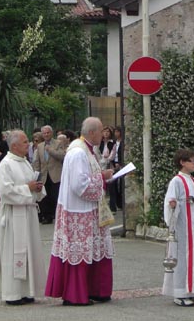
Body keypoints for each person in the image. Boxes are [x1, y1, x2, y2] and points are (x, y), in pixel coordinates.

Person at [45, 117, 115, 306]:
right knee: (79, 252)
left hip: (89, 209)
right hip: (78, 210)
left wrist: (102, 177)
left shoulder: (88, 150)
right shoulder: (78, 152)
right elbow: (79, 185)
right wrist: (102, 178)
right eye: (100, 131)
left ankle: (96, 290)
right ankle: (75, 294)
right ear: (91, 133)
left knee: (93, 250)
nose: (103, 135)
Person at [0, 130, 45, 306]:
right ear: (14, 146)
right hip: (13, 215)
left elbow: (31, 185)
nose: (28, 144)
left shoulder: (25, 162)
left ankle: (27, 291)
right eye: (25, 142)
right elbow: (5, 191)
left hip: (28, 213)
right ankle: (13, 293)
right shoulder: (6, 164)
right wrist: (27, 188)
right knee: (13, 252)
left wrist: (37, 188)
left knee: (29, 251)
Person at [163, 149, 194, 306]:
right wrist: (173, 205)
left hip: (193, 226)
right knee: (183, 258)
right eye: (192, 161)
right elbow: (170, 201)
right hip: (182, 226)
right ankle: (180, 293)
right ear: (182, 162)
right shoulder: (176, 181)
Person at [34, 126, 66, 224]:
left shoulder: (58, 143)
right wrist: (37, 176)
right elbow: (37, 162)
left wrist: (50, 150)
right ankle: (47, 217)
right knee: (45, 197)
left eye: (48, 133)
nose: (46, 135)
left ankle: (58, 216)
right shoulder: (40, 146)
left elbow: (62, 156)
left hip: (55, 175)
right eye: (44, 133)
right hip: (44, 175)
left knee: (55, 196)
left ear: (51, 133)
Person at [109, 128, 124, 212]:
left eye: (118, 132)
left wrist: (120, 163)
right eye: (115, 132)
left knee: (121, 184)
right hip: (114, 164)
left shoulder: (123, 142)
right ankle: (114, 204)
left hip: (120, 165)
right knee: (113, 184)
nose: (116, 133)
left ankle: (120, 203)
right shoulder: (113, 143)